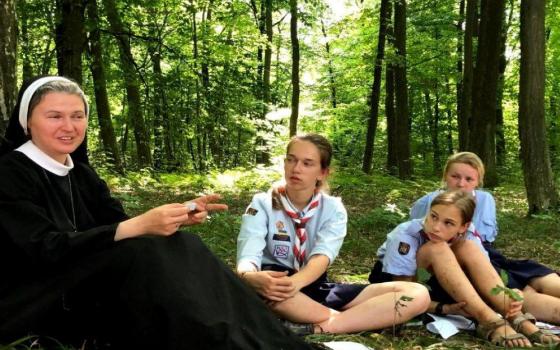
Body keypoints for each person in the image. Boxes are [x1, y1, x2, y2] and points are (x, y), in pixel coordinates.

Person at [0, 76, 319, 350]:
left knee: (183, 244)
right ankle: (225, 339)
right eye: (54, 116)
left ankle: (264, 336)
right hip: (41, 298)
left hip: (89, 280)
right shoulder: (9, 171)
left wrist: (178, 214)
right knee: (147, 252)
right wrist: (139, 226)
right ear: (28, 121)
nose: (69, 127)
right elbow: (43, 249)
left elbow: (116, 225)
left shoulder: (82, 174)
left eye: (78, 116)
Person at [236, 134, 430, 335]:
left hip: (312, 285)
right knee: (270, 295)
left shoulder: (333, 208)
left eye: (307, 163)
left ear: (323, 172)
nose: (296, 168)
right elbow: (249, 252)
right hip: (275, 284)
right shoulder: (262, 203)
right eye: (291, 159)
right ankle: (360, 320)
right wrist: (250, 277)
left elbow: (322, 257)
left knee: (417, 294)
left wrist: (294, 284)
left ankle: (322, 326)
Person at [405, 151, 560, 344]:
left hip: (484, 253)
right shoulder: (428, 203)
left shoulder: (485, 200)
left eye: (469, 179)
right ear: (445, 176)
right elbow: (420, 238)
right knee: (519, 291)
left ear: (478, 181)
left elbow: (483, 241)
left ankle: (518, 304)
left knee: (535, 275)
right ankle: (512, 315)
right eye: (455, 177)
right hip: (449, 253)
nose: (461, 184)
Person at [369, 190, 539, 347]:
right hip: (400, 286)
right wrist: (441, 308)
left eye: (448, 223)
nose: (436, 227)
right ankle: (489, 321)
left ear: (463, 226)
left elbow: (484, 275)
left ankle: (515, 317)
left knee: (467, 247)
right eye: (433, 216)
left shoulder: (468, 234)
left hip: (440, 284)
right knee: (437, 248)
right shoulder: (405, 235)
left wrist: (510, 297)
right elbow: (402, 294)